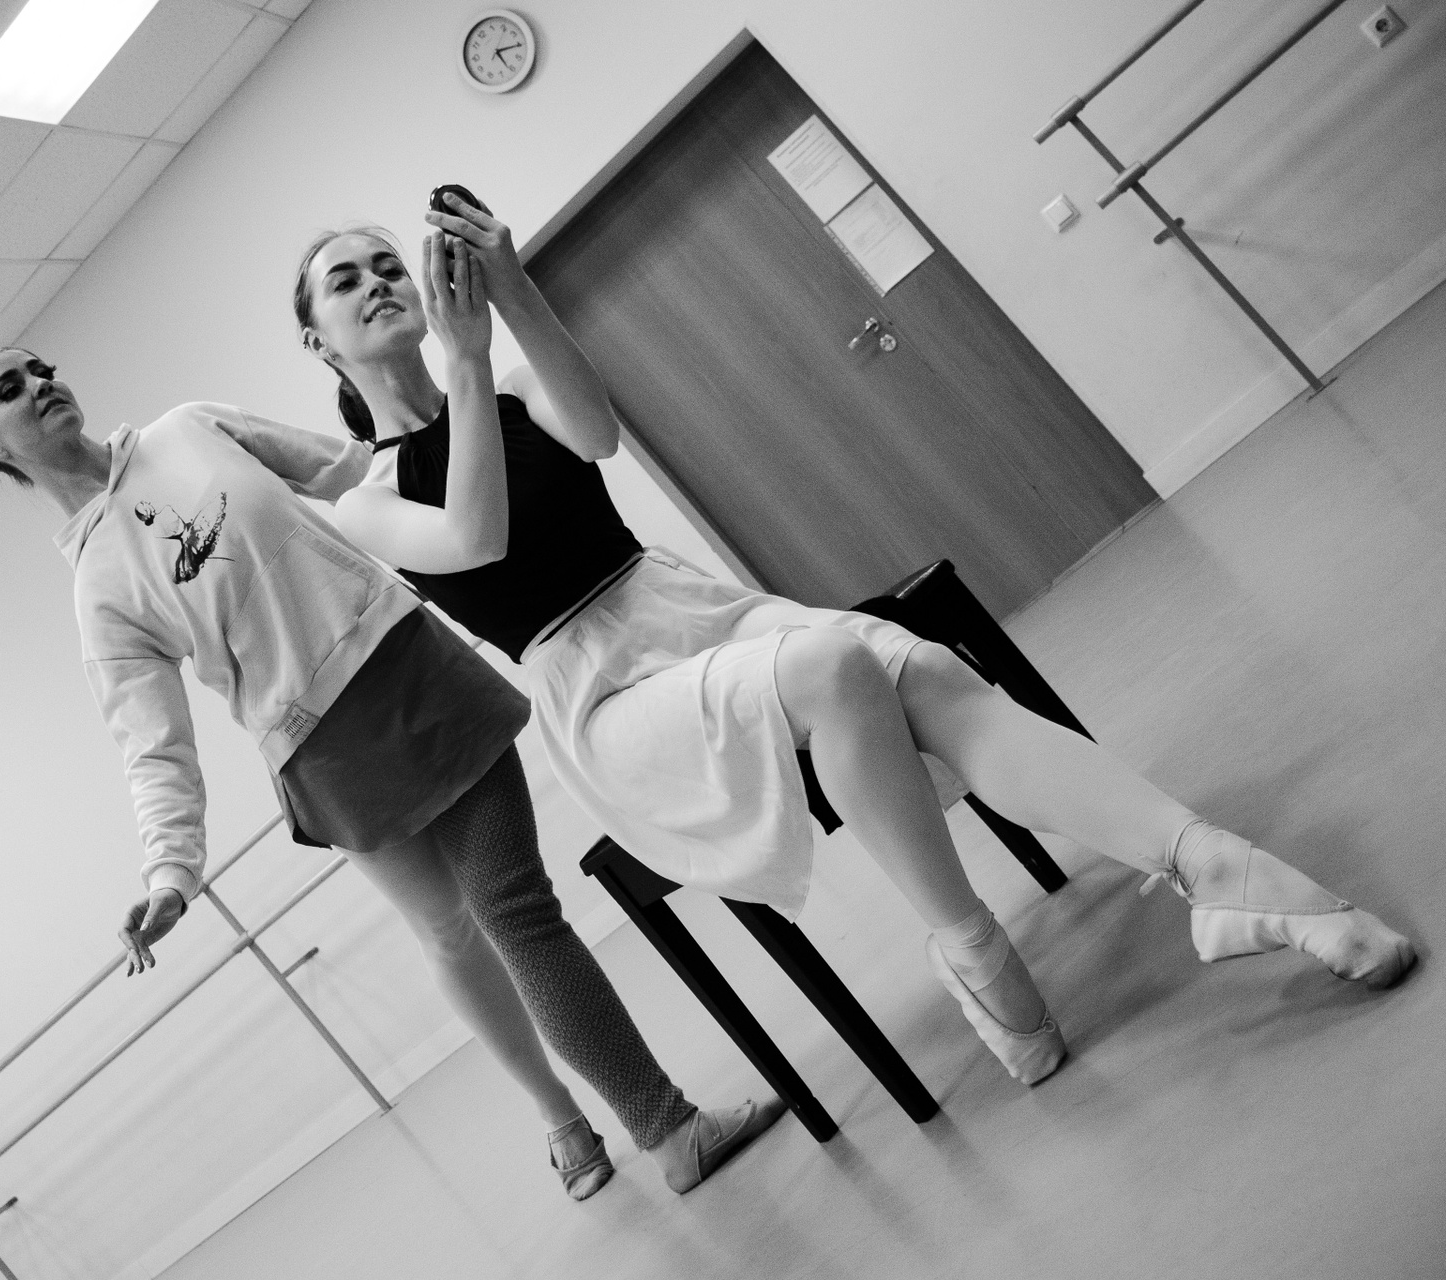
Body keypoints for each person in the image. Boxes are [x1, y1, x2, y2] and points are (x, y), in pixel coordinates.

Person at [293, 198, 1417, 1088]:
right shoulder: (364, 500)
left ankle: (1209, 865)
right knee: (837, 662)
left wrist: (518, 295)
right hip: (598, 691)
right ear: (318, 341)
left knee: (921, 665)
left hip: (677, 604)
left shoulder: (510, 385)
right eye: (347, 281)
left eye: (389, 263)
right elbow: (476, 534)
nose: (379, 282)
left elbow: (594, 432)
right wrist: (462, 361)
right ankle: (970, 941)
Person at [0, 341, 785, 1198]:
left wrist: (496, 499)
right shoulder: (98, 591)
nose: (42, 383)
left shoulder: (190, 430)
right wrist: (170, 871)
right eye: (12, 388)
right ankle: (560, 1118)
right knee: (448, 933)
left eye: (43, 368)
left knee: (514, 909)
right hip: (319, 749)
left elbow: (355, 473)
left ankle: (666, 1129)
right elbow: (151, 742)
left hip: (408, 663)